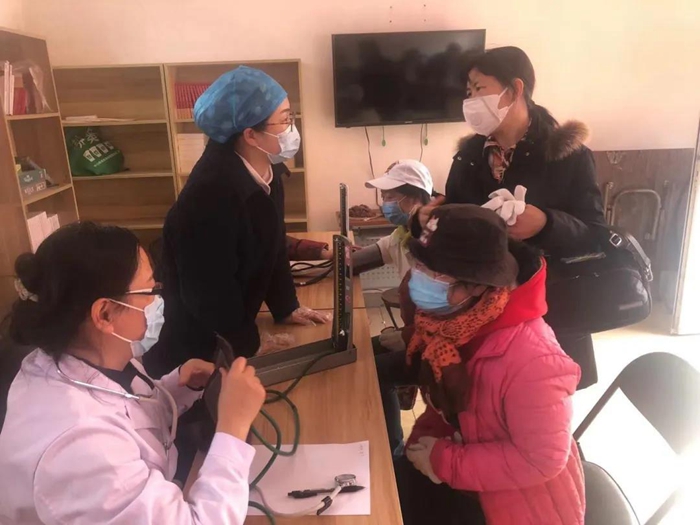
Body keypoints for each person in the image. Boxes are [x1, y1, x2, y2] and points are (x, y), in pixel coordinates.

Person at [0, 222, 266, 524]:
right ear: (104, 314)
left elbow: (124, 411)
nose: (158, 301)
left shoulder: (79, 357)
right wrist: (233, 428)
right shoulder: (80, 447)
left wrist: (179, 386)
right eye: (150, 290)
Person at [419, 46, 607, 389]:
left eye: (479, 88)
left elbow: (594, 235)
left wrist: (546, 224)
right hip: (477, 311)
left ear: (515, 89)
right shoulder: (469, 156)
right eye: (468, 91)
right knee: (478, 399)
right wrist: (430, 218)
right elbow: (454, 224)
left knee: (537, 403)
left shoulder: (567, 156)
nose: (470, 99)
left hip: (546, 309)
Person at [395, 204, 584, 525]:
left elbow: (541, 460)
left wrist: (444, 462)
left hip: (514, 505)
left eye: (436, 274)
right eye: (420, 266)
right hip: (463, 467)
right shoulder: (455, 324)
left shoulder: (535, 361)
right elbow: (452, 410)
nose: (421, 279)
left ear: (479, 284)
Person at [146, 66, 328, 378]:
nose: (291, 128)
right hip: (198, 346)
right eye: (285, 120)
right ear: (250, 135)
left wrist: (286, 306)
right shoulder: (209, 194)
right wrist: (248, 343)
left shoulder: (268, 170)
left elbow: (273, 245)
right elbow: (210, 292)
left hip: (233, 321)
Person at [353, 159, 433, 279]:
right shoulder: (401, 236)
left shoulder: (437, 241)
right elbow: (357, 260)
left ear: (416, 198)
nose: (385, 204)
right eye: (383, 197)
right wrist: (332, 254)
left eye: (390, 197)